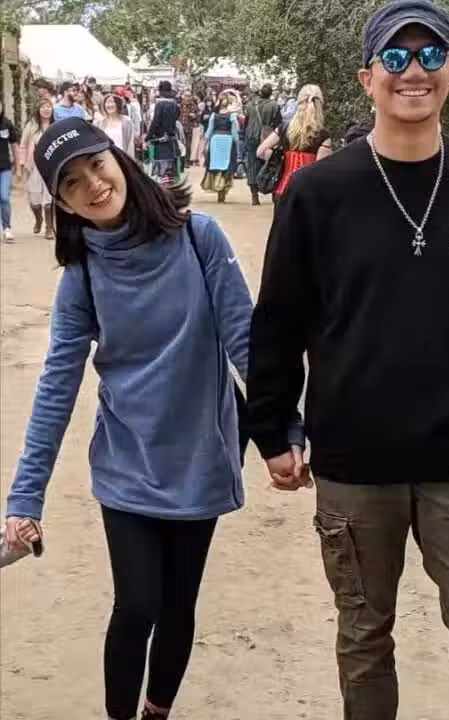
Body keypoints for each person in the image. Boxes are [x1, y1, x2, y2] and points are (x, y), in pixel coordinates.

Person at [246, 2, 449, 719]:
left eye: (431, 55)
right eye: (397, 57)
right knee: (364, 639)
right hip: (353, 456)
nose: (415, 71)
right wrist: (272, 429)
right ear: (367, 77)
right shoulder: (316, 192)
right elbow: (280, 319)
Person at [3, 117, 254, 720]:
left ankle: (155, 712)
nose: (92, 185)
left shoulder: (199, 237)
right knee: (138, 604)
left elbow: (246, 342)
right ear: (63, 205)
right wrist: (24, 499)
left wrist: (289, 430)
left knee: (178, 605)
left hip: (201, 454)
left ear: (119, 158)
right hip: (128, 460)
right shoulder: (83, 274)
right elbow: (57, 386)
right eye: (71, 183)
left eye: (96, 164)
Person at [257, 84, 332, 205]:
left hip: (282, 191)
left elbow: (260, 151)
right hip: (308, 195)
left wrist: (280, 159)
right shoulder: (323, 135)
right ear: (319, 104)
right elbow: (319, 171)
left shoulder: (283, 128)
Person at [20, 98, 55, 239]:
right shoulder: (31, 126)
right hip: (34, 167)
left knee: (49, 200)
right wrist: (22, 163)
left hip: (51, 167)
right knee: (35, 201)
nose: (46, 109)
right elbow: (23, 145)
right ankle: (38, 219)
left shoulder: (56, 126)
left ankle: (49, 227)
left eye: (48, 106)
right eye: (43, 107)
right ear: (38, 110)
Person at [244, 83, 282, 205]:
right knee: (272, 164)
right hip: (269, 138)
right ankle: (273, 194)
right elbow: (279, 124)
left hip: (252, 138)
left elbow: (246, 123)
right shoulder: (275, 106)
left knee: (252, 165)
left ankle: (254, 196)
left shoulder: (250, 105)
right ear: (271, 93)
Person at [201, 94, 239, 204]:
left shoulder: (214, 115)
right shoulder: (232, 116)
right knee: (226, 167)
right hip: (228, 141)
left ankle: (217, 186)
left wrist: (204, 145)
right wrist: (236, 144)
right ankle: (222, 191)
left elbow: (209, 131)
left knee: (216, 166)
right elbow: (234, 133)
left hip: (215, 141)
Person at [146, 81, 181, 184]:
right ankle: (170, 185)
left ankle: (164, 186)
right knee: (170, 165)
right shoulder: (174, 104)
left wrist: (148, 136)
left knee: (161, 166)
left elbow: (155, 122)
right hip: (172, 138)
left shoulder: (160, 104)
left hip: (161, 138)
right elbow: (176, 118)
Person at [0, 100, 21, 243]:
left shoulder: (7, 124)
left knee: (4, 197)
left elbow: (14, 146)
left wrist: (18, 167)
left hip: (5, 168)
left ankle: (7, 228)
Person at [99, 94, 136, 158]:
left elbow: (130, 144)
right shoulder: (101, 123)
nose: (109, 105)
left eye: (112, 102)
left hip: (122, 157)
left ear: (117, 104)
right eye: (107, 102)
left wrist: (129, 159)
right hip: (107, 158)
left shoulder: (126, 121)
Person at [179, 89, 198, 168]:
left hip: (189, 127)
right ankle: (181, 161)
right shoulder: (181, 104)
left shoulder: (194, 106)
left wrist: (194, 116)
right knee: (181, 144)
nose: (187, 97)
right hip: (181, 127)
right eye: (186, 95)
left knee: (188, 145)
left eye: (189, 96)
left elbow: (197, 116)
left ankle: (186, 161)